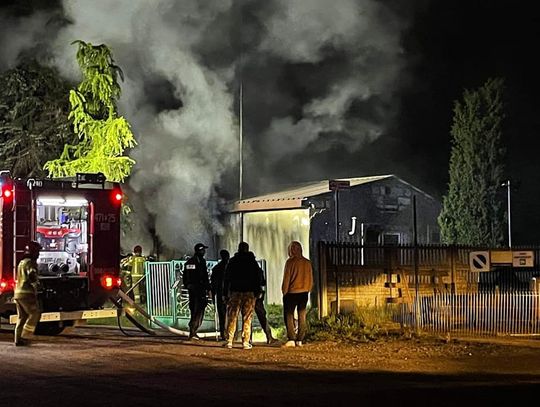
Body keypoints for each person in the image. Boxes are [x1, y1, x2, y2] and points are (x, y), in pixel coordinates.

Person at [223, 242, 263, 350]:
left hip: (235, 292)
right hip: (249, 293)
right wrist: (258, 291)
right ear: (247, 249)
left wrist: (225, 293)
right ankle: (245, 342)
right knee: (247, 317)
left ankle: (229, 341)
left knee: (232, 316)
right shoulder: (252, 262)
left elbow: (227, 278)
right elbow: (258, 277)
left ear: (238, 249)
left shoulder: (233, 261)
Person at [281, 241, 313, 348]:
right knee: (302, 315)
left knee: (288, 315)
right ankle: (300, 339)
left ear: (292, 250)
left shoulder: (290, 262)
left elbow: (287, 278)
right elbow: (310, 278)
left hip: (292, 292)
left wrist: (284, 292)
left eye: (290, 249)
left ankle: (291, 338)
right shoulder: (307, 262)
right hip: (304, 292)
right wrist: (308, 289)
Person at [14, 241, 42, 346]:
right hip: (27, 293)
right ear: (33, 252)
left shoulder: (21, 262)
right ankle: (25, 336)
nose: (38, 254)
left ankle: (18, 339)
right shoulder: (31, 262)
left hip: (18, 293)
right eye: (37, 251)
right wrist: (37, 286)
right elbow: (32, 275)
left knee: (22, 317)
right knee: (34, 314)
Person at [184, 243, 211, 341]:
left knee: (194, 310)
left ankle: (193, 330)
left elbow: (185, 277)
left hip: (192, 290)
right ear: (200, 251)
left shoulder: (189, 262)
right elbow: (204, 277)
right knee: (199, 310)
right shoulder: (201, 262)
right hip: (199, 290)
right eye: (203, 250)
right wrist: (208, 288)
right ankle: (193, 330)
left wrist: (188, 285)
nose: (204, 252)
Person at [254, 266, 277, 344]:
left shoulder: (237, 266)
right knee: (262, 316)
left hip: (242, 295)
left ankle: (247, 339)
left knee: (246, 317)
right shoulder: (257, 268)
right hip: (257, 294)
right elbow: (263, 282)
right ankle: (269, 336)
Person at [210, 249, 229, 341]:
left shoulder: (216, 268)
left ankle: (223, 333)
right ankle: (227, 334)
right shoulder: (230, 268)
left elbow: (213, 284)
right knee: (230, 314)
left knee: (222, 315)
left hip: (220, 294)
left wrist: (213, 294)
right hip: (228, 294)